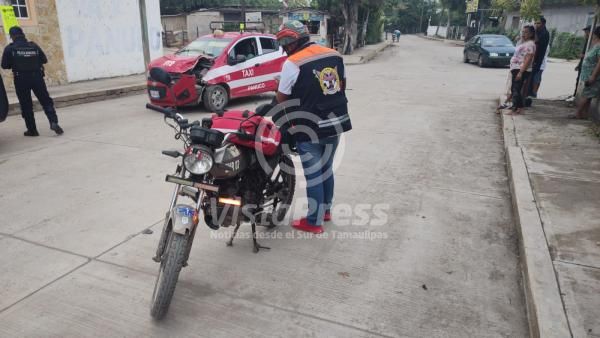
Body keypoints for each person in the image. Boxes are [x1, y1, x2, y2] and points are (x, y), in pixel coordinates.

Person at [275, 20, 352, 234]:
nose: (283, 49)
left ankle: (313, 221)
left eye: (284, 45)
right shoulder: (334, 55)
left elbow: (282, 99)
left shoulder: (293, 62)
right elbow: (341, 85)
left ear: (289, 43)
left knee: (313, 175)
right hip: (336, 122)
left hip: (310, 127)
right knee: (326, 169)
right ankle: (325, 211)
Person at [1, 26, 63, 136]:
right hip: (37, 77)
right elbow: (44, 59)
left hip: (21, 79)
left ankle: (32, 130)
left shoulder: (10, 48)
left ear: (12, 37)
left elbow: (4, 65)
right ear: (23, 34)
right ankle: (53, 122)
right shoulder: (33, 46)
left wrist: (15, 63)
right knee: (46, 101)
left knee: (26, 105)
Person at [570, 26, 600, 119]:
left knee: (586, 95)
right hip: (588, 75)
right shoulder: (596, 44)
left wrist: (593, 76)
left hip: (592, 76)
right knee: (588, 95)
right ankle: (584, 114)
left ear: (595, 34)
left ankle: (578, 113)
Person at [506, 26, 536, 115]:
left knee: (516, 89)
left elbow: (528, 59)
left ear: (531, 34)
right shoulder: (524, 43)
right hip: (516, 68)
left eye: (526, 32)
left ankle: (516, 109)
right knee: (515, 89)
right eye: (522, 32)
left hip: (521, 69)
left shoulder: (530, 44)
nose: (523, 34)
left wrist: (521, 72)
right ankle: (519, 107)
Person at [528, 16, 550, 101]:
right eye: (535, 23)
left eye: (538, 23)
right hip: (533, 59)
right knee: (530, 79)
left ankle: (531, 95)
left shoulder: (544, 33)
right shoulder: (536, 31)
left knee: (534, 79)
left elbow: (538, 47)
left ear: (543, 24)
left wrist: (534, 61)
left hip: (537, 60)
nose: (536, 25)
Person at [572, 25, 592, 99]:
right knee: (578, 80)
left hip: (587, 66)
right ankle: (575, 95)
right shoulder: (587, 41)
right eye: (585, 32)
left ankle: (579, 96)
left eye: (587, 32)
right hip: (582, 64)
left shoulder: (592, 42)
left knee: (583, 82)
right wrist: (578, 65)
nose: (585, 33)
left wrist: (584, 56)